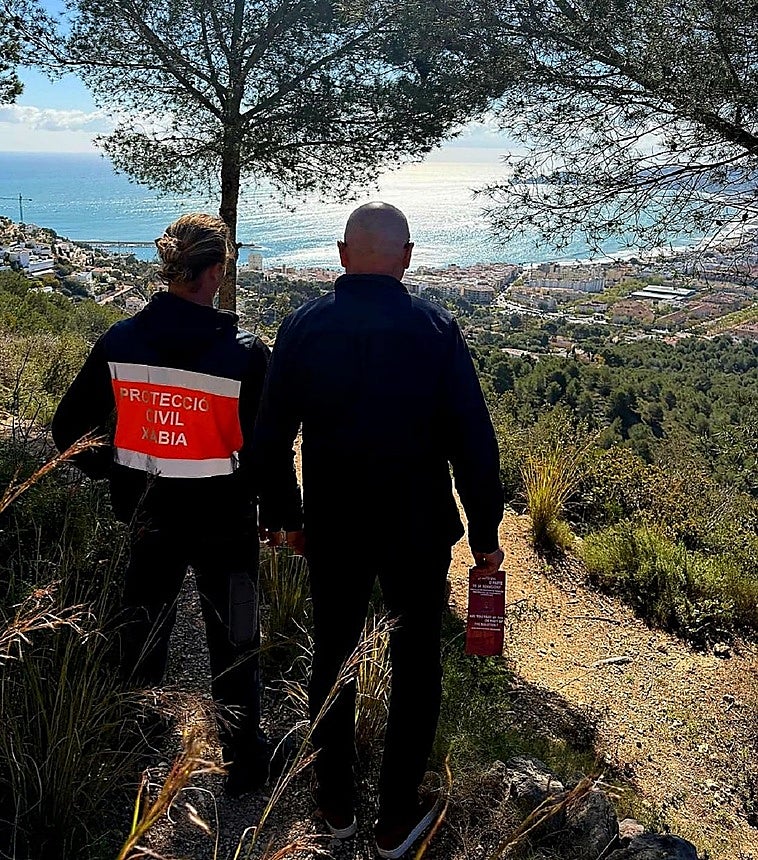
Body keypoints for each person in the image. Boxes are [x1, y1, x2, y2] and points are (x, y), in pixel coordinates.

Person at [252, 202, 504, 858]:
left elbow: (270, 439)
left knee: (332, 657)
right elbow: (474, 443)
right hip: (416, 532)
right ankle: (395, 819)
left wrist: (286, 518)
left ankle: (333, 804)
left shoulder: (302, 327)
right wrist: (484, 531)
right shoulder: (436, 329)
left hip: (332, 527)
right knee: (416, 666)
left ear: (341, 254)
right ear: (407, 257)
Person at [51, 213, 297, 796]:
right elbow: (267, 452)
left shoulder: (120, 341)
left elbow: (68, 430)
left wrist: (120, 471)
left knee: (140, 635)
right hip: (226, 523)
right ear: (214, 273)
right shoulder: (242, 353)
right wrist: (285, 518)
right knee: (235, 639)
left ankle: (133, 754)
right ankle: (242, 762)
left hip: (147, 517)